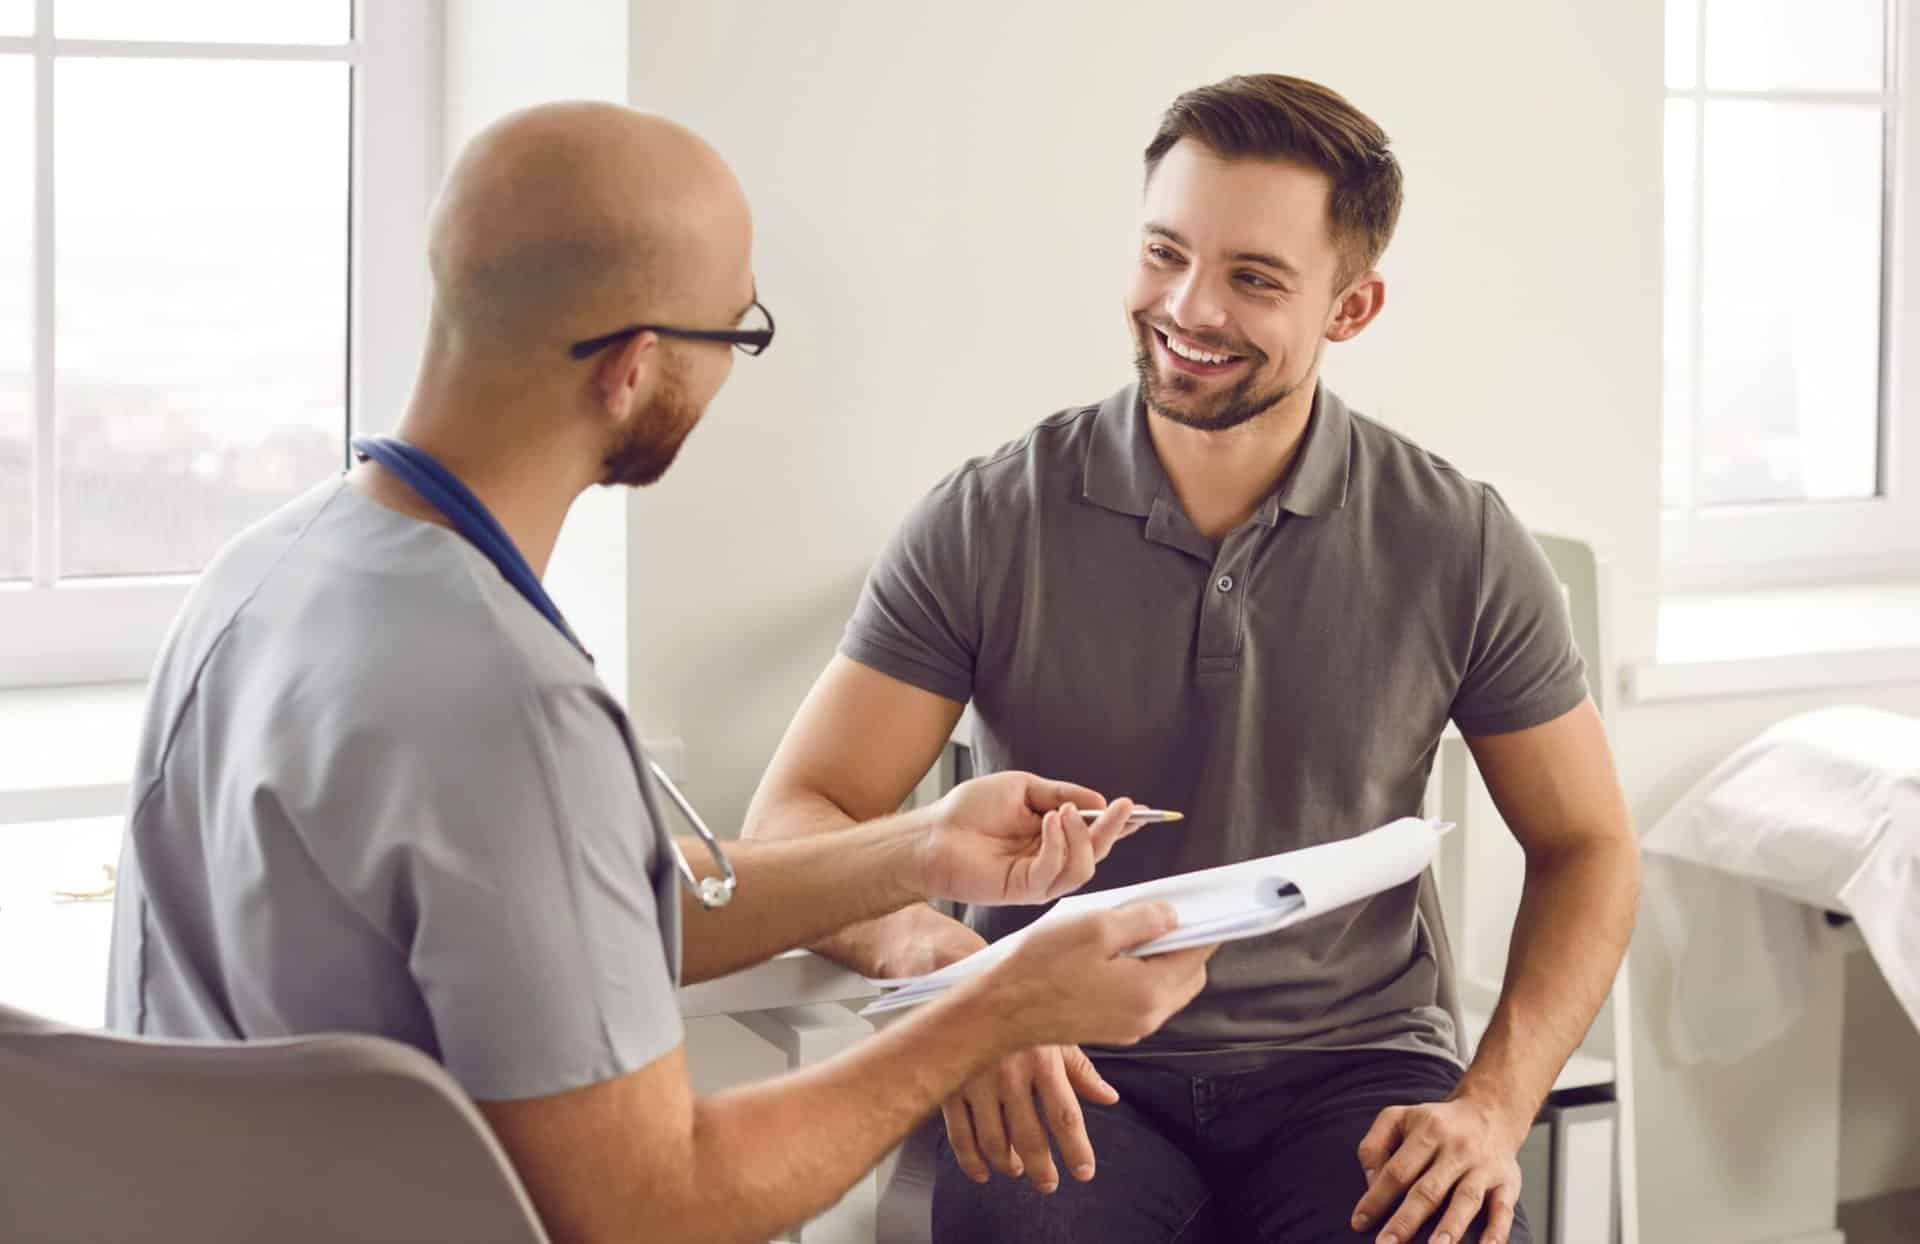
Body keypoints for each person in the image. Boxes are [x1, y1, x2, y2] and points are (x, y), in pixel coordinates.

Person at [103, 102, 1219, 1244]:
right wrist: (993, 1008)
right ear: (634, 370)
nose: (737, 367)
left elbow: (559, 909)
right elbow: (651, 1207)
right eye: (738, 334)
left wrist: (914, 851)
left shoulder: (265, 573)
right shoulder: (508, 706)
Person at [745, 74, 1640, 1244]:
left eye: (1253, 278)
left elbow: (1588, 844)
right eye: (1165, 252)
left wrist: (1492, 1101)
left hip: (1355, 1068)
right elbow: (795, 818)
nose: (1188, 307)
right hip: (1058, 1047)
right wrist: (960, 974)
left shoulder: (1457, 540)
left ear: (1351, 307)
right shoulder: (987, 518)